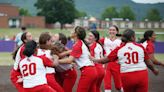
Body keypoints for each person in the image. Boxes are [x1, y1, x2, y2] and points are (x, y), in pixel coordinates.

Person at [93, 29, 159, 92]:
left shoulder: (119, 49)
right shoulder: (140, 47)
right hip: (141, 74)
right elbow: (148, 63)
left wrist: (93, 59)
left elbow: (105, 60)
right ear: (133, 37)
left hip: (127, 75)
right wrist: (154, 69)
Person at [58, 26, 97, 92]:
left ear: (76, 34)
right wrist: (61, 54)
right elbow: (71, 51)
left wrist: (56, 61)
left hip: (87, 71)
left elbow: (69, 60)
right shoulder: (80, 42)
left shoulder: (77, 45)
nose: (71, 31)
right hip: (92, 71)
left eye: (73, 30)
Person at [99, 25, 123, 92]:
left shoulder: (120, 41)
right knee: (107, 84)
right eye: (110, 30)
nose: (111, 31)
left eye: (113, 30)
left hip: (116, 63)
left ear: (117, 31)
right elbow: (95, 42)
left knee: (118, 86)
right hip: (107, 63)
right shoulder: (104, 40)